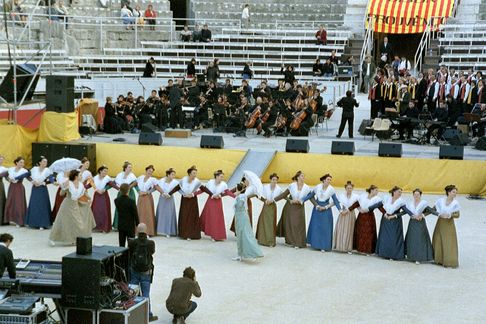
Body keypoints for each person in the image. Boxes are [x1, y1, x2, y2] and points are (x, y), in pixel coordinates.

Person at [49, 170, 96, 246]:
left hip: (75, 205)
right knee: (61, 222)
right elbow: (61, 194)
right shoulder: (69, 184)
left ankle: (75, 239)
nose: (82, 177)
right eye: (80, 175)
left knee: (77, 223)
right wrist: (64, 187)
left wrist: (89, 198)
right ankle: (52, 238)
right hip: (67, 205)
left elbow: (84, 193)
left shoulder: (81, 185)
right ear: (76, 177)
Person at [273, 171, 311, 249]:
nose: (303, 177)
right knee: (291, 224)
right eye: (302, 176)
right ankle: (291, 241)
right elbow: (284, 195)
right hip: (291, 207)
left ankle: (299, 242)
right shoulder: (292, 185)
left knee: (299, 224)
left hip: (300, 207)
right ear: (297, 177)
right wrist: (273, 200)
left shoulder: (307, 187)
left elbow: (310, 196)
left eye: (304, 176)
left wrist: (315, 204)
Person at [305, 174, 341, 252]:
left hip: (326, 210)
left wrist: (340, 210)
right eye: (328, 179)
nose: (329, 181)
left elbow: (336, 201)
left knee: (325, 228)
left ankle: (324, 246)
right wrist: (301, 200)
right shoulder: (317, 187)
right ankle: (315, 244)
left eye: (330, 180)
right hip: (317, 209)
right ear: (324, 180)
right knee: (316, 226)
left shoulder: (331, 189)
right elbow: (310, 196)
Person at [128, 223, 157, 321]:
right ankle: (148, 315)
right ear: (146, 232)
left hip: (134, 271)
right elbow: (152, 252)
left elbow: (130, 251)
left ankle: (132, 313)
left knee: (132, 293)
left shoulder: (132, 242)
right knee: (146, 294)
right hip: (146, 272)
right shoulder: (150, 243)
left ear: (137, 231)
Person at [232, 183, 263, 261]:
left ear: (238, 189)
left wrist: (238, 196)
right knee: (240, 235)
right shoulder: (241, 196)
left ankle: (253, 254)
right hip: (239, 217)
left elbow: (240, 205)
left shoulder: (242, 197)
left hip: (242, 217)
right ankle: (240, 254)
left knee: (245, 235)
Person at [199, 170, 233, 241]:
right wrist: (194, 194)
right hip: (210, 202)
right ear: (216, 177)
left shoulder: (224, 184)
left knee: (218, 218)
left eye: (222, 177)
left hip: (218, 202)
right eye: (221, 177)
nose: (222, 178)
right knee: (211, 218)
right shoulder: (210, 182)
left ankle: (218, 235)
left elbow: (227, 192)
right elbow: (203, 190)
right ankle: (213, 235)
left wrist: (235, 196)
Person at [348, 185, 382, 255]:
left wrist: (386, 213)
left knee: (369, 233)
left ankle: (367, 250)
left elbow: (380, 207)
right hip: (361, 216)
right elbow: (356, 204)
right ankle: (359, 249)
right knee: (360, 232)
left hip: (370, 217)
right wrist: (348, 210)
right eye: (376, 190)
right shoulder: (363, 196)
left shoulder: (377, 199)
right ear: (371, 190)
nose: (377, 192)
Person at [432, 184, 461, 268]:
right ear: (448, 192)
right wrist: (423, 215)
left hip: (449, 225)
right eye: (453, 192)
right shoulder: (440, 201)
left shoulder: (455, 203)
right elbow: (432, 210)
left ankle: (449, 262)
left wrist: (450, 215)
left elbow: (458, 215)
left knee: (449, 242)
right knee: (439, 240)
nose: (455, 194)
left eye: (456, 192)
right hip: (440, 223)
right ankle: (439, 260)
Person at [375, 186, 406, 260]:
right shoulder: (387, 198)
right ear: (394, 192)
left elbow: (405, 211)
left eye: (401, 192)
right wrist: (384, 212)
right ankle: (384, 253)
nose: (400, 194)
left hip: (395, 221)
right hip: (385, 220)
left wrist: (395, 215)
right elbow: (378, 205)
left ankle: (394, 255)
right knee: (385, 237)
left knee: (394, 237)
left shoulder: (401, 201)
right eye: (399, 192)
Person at [403, 188, 434, 264]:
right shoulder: (410, 204)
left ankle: (419, 257)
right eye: (415, 194)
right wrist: (395, 215)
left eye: (418, 194)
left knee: (420, 239)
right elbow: (405, 212)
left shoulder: (423, 203)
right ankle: (411, 255)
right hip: (412, 223)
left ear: (420, 195)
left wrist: (423, 215)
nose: (416, 196)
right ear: (413, 195)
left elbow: (430, 210)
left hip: (420, 223)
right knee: (412, 239)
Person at [25, 156, 52, 230]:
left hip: (42, 189)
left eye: (46, 162)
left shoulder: (47, 170)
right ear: (40, 162)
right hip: (35, 189)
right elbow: (27, 176)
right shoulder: (34, 169)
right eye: (44, 161)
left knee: (43, 205)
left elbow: (52, 179)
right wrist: (32, 181)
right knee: (35, 204)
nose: (45, 163)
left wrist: (43, 183)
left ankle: (43, 223)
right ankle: (34, 222)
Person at [256, 173, 281, 247]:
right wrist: (265, 200)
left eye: (276, 180)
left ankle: (270, 241)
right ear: (270, 180)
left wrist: (273, 200)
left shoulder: (278, 189)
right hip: (266, 205)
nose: (275, 181)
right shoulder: (265, 187)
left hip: (272, 207)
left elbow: (282, 196)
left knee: (271, 224)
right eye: (273, 179)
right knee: (263, 222)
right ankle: (262, 240)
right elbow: (259, 196)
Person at [333, 181, 358, 253]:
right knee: (341, 229)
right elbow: (337, 202)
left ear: (352, 188)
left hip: (350, 214)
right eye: (348, 188)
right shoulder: (341, 196)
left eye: (350, 188)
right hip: (343, 214)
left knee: (349, 230)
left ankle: (348, 248)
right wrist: (340, 210)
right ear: (345, 188)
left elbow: (357, 205)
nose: (349, 189)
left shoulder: (356, 197)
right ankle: (339, 246)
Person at [5, 156, 28, 227]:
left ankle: (20, 221)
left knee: (19, 204)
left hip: (19, 187)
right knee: (10, 202)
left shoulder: (24, 171)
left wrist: (34, 181)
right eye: (21, 162)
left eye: (23, 163)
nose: (22, 164)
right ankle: (9, 219)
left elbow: (29, 177)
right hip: (11, 187)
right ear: (16, 162)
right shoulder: (11, 169)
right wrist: (9, 180)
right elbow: (5, 175)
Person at [113, 161, 137, 230]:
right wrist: (118, 188)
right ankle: (117, 225)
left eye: (131, 167)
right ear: (125, 168)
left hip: (130, 193)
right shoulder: (120, 175)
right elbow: (114, 182)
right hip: (121, 192)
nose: (130, 169)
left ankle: (130, 225)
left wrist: (129, 187)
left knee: (130, 208)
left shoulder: (132, 175)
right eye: (129, 167)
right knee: (120, 208)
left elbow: (135, 182)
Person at [155, 168, 179, 237]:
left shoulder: (175, 182)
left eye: (174, 175)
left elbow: (178, 188)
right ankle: (160, 230)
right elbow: (156, 187)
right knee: (161, 213)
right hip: (162, 199)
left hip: (170, 199)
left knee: (169, 214)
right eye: (172, 175)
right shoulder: (161, 181)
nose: (173, 176)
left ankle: (169, 231)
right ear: (168, 175)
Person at [91, 166, 115, 233]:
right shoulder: (95, 178)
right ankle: (97, 227)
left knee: (104, 210)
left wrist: (105, 189)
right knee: (96, 210)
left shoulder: (107, 178)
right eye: (104, 171)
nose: (106, 172)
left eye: (106, 171)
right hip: (96, 196)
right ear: (100, 171)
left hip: (104, 196)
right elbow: (90, 185)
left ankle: (105, 227)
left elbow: (112, 185)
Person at [136, 165, 158, 236]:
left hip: (147, 197)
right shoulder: (140, 177)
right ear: (146, 171)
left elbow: (155, 188)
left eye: (152, 171)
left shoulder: (153, 179)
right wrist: (138, 191)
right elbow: (135, 185)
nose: (150, 172)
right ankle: (139, 231)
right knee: (140, 213)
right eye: (149, 171)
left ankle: (148, 232)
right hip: (140, 197)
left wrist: (148, 192)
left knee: (147, 214)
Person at [0, 156, 7, 225]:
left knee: (1, 201)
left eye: (2, 160)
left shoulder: (4, 169)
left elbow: (7, 177)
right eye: (0, 159)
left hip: (0, 186)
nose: (1, 161)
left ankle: (1, 220)